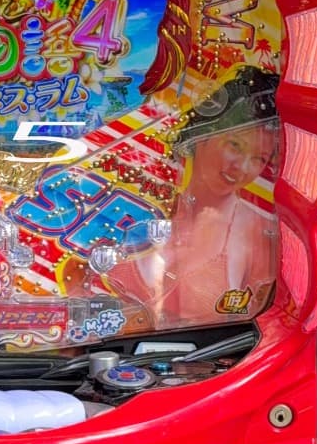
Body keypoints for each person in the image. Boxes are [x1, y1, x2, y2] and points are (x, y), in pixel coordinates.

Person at [106, 68, 279, 329]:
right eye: (235, 145)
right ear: (203, 134)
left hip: (214, 354)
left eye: (259, 159)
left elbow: (266, 329)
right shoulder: (133, 204)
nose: (242, 167)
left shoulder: (257, 232)